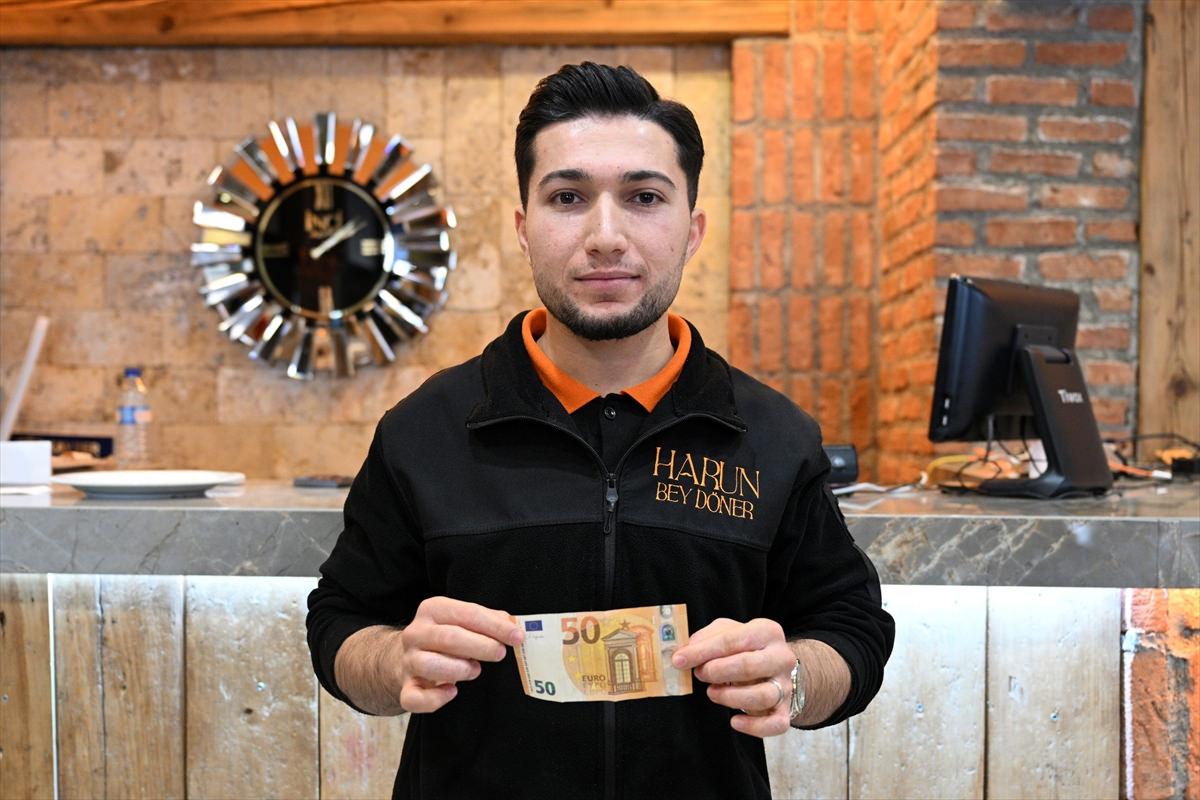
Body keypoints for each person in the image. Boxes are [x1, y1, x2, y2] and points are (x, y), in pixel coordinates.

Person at [307, 61, 894, 799]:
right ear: (524, 228)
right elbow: (341, 623)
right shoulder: (424, 431)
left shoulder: (772, 436)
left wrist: (795, 678)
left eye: (645, 197)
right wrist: (394, 662)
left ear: (692, 229)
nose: (605, 236)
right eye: (568, 197)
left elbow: (853, 628)